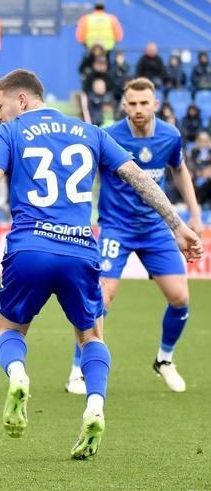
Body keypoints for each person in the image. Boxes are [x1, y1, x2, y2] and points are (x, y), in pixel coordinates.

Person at [0, 69, 203, 460]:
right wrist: (177, 225)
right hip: (80, 249)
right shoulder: (92, 132)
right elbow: (138, 178)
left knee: (10, 331)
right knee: (92, 336)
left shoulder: (8, 134)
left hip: (29, 249)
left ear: (21, 100)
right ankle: (94, 406)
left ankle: (18, 374)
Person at [65, 78, 205, 395]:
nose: (139, 109)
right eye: (133, 103)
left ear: (155, 103)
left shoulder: (170, 136)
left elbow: (179, 170)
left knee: (180, 298)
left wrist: (194, 216)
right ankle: (78, 370)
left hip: (155, 228)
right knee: (100, 298)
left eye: (145, 103)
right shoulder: (110, 136)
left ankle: (164, 360)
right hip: (116, 226)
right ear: (124, 105)